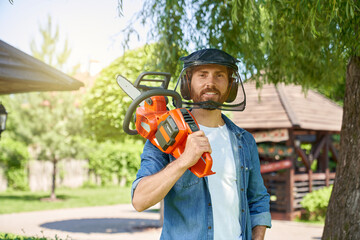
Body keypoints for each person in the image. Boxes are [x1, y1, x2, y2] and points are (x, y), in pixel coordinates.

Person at [131, 48, 271, 240]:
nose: (210, 83)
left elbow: (258, 200)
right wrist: (184, 161)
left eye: (219, 75)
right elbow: (139, 200)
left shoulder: (244, 141)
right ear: (188, 84)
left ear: (231, 86)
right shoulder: (164, 134)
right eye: (202, 75)